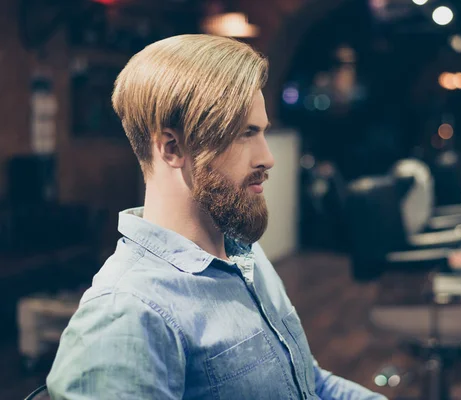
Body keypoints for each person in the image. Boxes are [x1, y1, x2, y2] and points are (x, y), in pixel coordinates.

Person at [47, 34, 386, 400]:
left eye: (262, 132)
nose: (267, 158)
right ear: (173, 148)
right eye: (244, 134)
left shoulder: (244, 255)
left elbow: (309, 383)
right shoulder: (127, 314)